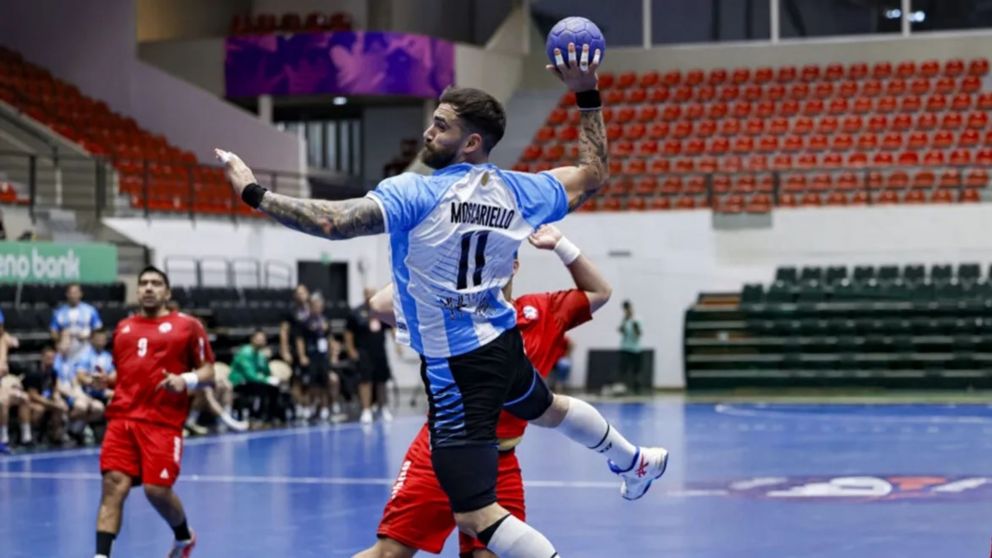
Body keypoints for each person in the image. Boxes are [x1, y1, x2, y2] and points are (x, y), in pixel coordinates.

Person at [218, 40, 667, 557]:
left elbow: (331, 222)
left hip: (457, 365)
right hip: (501, 342)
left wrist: (255, 193)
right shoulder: (520, 191)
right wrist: (586, 95)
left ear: (471, 142)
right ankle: (632, 460)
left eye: (441, 125)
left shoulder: (417, 193)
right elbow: (594, 173)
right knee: (544, 409)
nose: (429, 132)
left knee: (476, 513)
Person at [355, 224, 610, 558]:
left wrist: (562, 244)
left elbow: (600, 292)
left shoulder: (542, 311)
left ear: (514, 265)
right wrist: (433, 262)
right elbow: (379, 304)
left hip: (500, 460)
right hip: (440, 450)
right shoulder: (449, 313)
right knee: (389, 553)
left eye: (497, 259)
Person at [93, 266, 216, 558]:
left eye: (156, 283)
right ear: (137, 291)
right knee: (113, 486)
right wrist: (107, 380)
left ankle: (184, 537)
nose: (149, 288)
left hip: (162, 422)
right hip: (122, 418)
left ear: (167, 292)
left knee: (156, 490)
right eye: (144, 283)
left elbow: (209, 371)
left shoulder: (187, 325)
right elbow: (128, 373)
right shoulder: (123, 328)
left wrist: (184, 380)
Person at [346, 288, 394, 425]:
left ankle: (383, 407)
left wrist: (397, 344)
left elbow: (391, 327)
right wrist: (351, 350)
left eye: (373, 293)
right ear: (364, 295)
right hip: (363, 352)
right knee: (365, 381)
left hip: (379, 351)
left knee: (381, 380)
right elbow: (348, 333)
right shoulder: (356, 313)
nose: (370, 296)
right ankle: (366, 410)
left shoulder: (381, 312)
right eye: (367, 293)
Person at [295, 293, 345, 422]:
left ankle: (325, 407)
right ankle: (311, 405)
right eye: (315, 305)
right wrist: (302, 356)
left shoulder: (325, 321)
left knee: (325, 381)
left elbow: (329, 338)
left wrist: (333, 354)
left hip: (323, 356)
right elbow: (300, 340)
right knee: (312, 382)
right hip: (311, 355)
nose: (317, 308)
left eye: (319, 306)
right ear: (310, 306)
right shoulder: (305, 321)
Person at [229, 330, 282, 423]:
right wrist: (266, 379)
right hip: (240, 382)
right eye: (259, 339)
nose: (261, 341)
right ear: (252, 340)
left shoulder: (261, 355)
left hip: (255, 381)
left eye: (263, 339)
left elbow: (266, 372)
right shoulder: (245, 353)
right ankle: (254, 415)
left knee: (274, 388)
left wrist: (267, 360)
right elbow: (250, 375)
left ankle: (269, 416)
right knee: (261, 387)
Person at [22, 346, 68, 445]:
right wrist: (52, 404)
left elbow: (54, 389)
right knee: (40, 409)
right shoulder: (34, 371)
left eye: (53, 358)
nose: (51, 360)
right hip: (27, 400)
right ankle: (33, 433)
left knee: (59, 407)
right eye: (48, 358)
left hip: (44, 399)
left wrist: (57, 398)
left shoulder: (53, 372)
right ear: (42, 357)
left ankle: (56, 436)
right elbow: (32, 395)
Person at [50, 283, 103, 362]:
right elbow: (53, 332)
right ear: (67, 294)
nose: (73, 296)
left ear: (81, 294)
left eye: (75, 293)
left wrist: (89, 336)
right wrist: (62, 337)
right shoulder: (59, 312)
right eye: (71, 293)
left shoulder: (90, 310)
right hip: (66, 353)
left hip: (86, 351)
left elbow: (99, 330)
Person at [617, 300, 644, 394]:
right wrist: (625, 321)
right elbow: (621, 331)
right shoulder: (624, 320)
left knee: (636, 370)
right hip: (625, 348)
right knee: (623, 369)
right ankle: (624, 388)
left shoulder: (637, 319)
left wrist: (633, 322)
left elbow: (638, 334)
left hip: (636, 349)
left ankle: (637, 389)